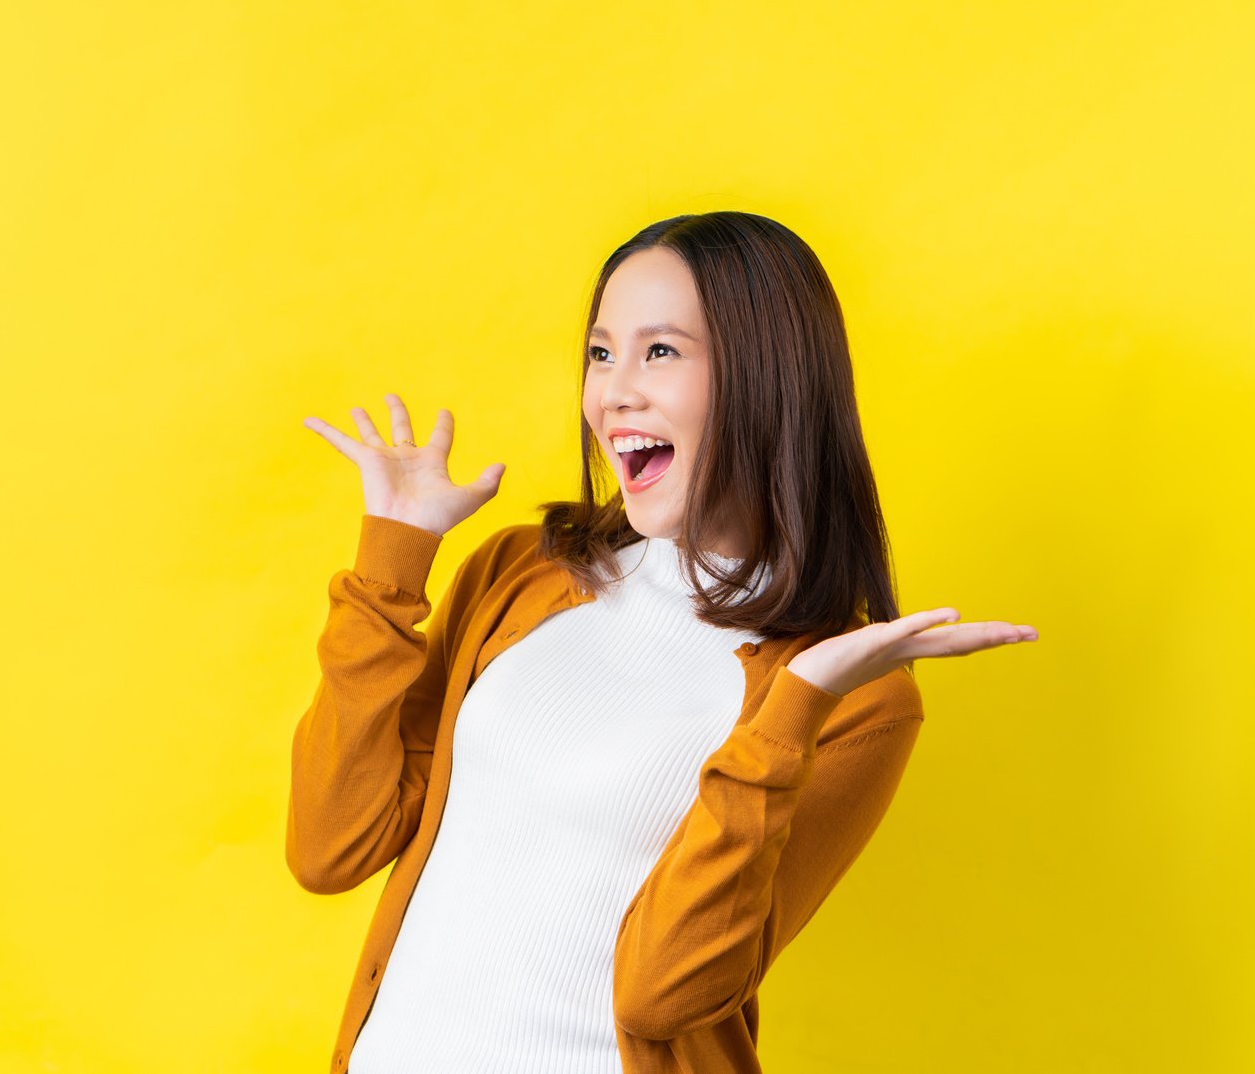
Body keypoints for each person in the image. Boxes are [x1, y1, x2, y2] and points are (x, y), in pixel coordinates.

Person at [287, 211, 1038, 1074]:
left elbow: (662, 994)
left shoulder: (851, 697)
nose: (615, 392)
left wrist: (792, 709)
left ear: (768, 379)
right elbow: (329, 844)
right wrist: (390, 568)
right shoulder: (517, 576)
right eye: (602, 353)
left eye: (661, 352)